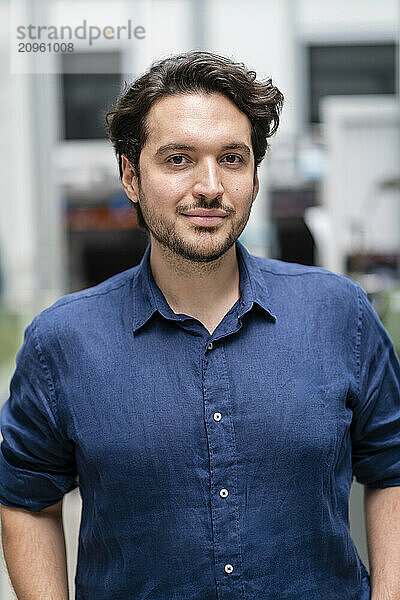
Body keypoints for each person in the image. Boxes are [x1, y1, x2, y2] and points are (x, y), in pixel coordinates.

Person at [0, 50, 399, 600]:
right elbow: (27, 500)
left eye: (232, 158)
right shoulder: (61, 342)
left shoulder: (340, 315)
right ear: (131, 176)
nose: (210, 186)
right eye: (179, 159)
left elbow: (393, 466)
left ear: (256, 178)